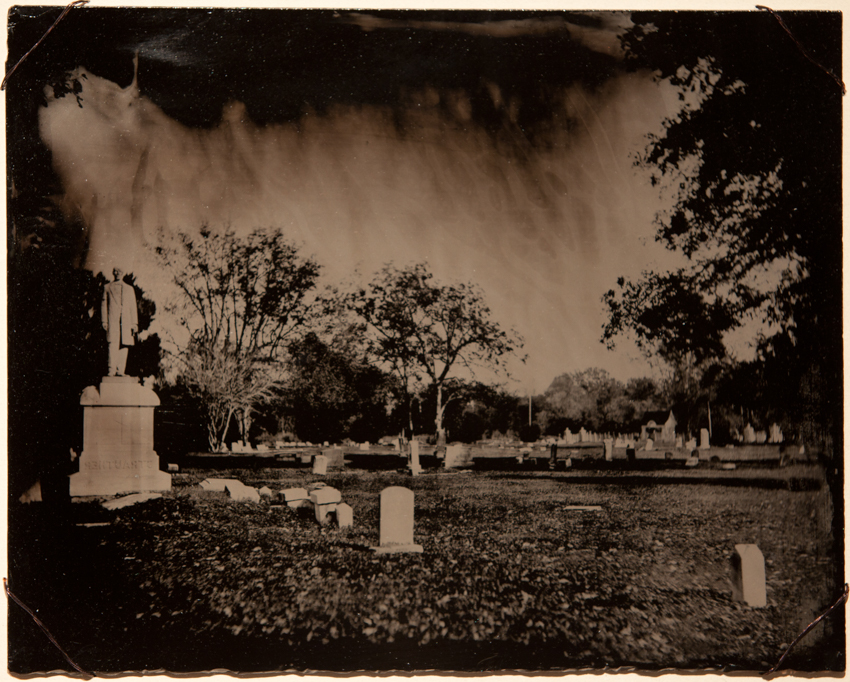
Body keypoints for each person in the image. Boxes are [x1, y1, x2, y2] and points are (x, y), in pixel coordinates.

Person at [102, 268, 138, 376]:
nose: (118, 273)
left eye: (120, 271)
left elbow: (133, 306)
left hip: (126, 322)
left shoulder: (129, 289)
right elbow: (104, 305)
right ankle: (111, 370)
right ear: (113, 272)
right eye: (116, 271)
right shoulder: (107, 288)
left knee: (124, 344)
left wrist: (134, 323)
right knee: (112, 344)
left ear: (123, 273)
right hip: (112, 320)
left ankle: (120, 370)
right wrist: (104, 321)